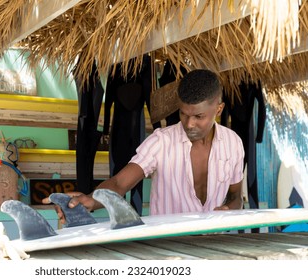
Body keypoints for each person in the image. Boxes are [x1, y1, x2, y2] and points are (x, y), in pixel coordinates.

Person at [43, 69, 245, 222]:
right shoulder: (161, 142)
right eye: (184, 113)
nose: (189, 123)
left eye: (199, 116)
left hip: (215, 244)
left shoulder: (233, 143)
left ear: (218, 109)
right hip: (167, 249)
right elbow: (120, 183)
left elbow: (235, 195)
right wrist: (91, 199)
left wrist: (229, 209)